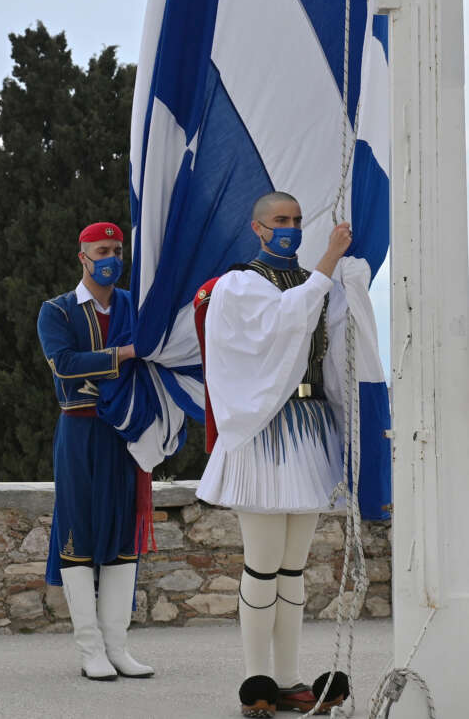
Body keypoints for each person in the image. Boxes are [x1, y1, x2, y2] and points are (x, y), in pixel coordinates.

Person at [195, 193, 354, 717]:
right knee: (262, 565)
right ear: (258, 229)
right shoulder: (240, 284)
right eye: (280, 221)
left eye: (295, 221)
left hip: (307, 428)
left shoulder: (313, 283)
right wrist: (330, 263)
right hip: (263, 431)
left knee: (293, 568)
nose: (289, 228)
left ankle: (286, 678)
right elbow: (283, 324)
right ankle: (255, 679)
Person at [36, 222, 153, 682]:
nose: (112, 257)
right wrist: (124, 354)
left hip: (125, 434)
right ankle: (90, 650)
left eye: (117, 249)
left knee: (124, 537)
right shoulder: (57, 311)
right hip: (81, 432)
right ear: (82, 256)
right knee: (78, 535)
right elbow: (64, 366)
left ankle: (118, 647)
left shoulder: (133, 305)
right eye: (103, 249)